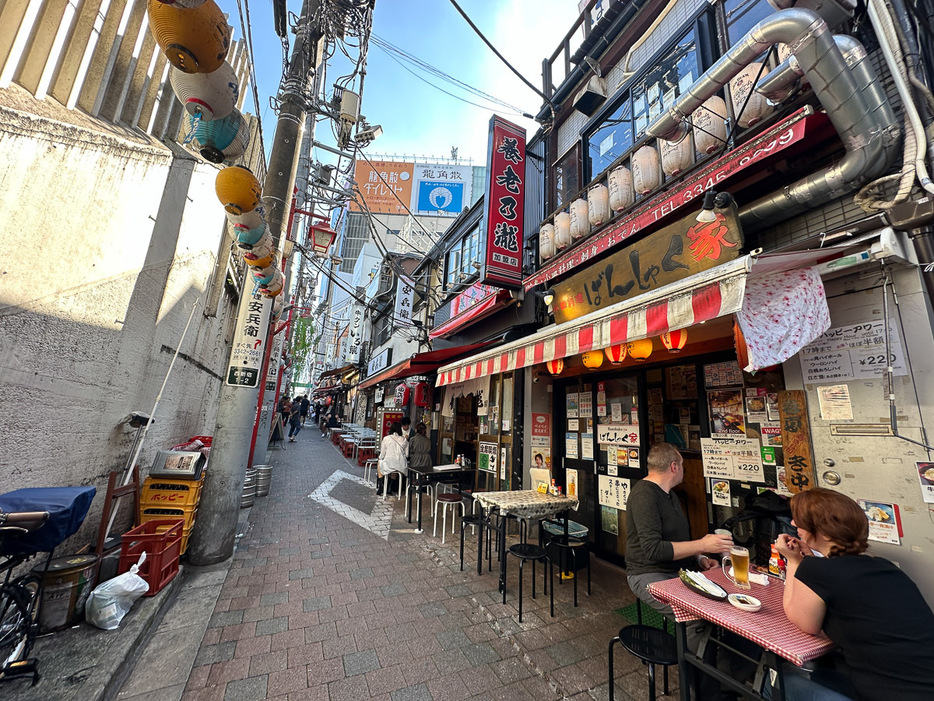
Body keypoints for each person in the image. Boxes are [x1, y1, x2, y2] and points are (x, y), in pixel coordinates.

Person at [774, 489, 934, 701]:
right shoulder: (885, 567)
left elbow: (803, 622)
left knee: (779, 680)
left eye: (800, 520)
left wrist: (795, 562)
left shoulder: (817, 570)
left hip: (888, 694)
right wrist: (810, 563)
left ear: (826, 534)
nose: (794, 524)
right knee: (823, 674)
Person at [626, 442, 733, 611]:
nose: (684, 468)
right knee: (695, 613)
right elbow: (653, 549)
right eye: (682, 464)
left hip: (678, 570)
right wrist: (703, 545)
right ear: (674, 467)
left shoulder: (670, 494)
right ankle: (687, 637)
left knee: (721, 600)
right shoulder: (644, 496)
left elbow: (676, 539)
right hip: (647, 573)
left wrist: (699, 558)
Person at [377, 421, 409, 494]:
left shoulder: (386, 438)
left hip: (389, 464)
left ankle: (381, 485)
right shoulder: (404, 440)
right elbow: (406, 455)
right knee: (395, 467)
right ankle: (390, 488)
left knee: (380, 462)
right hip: (401, 465)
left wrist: (380, 458)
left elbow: (382, 454)